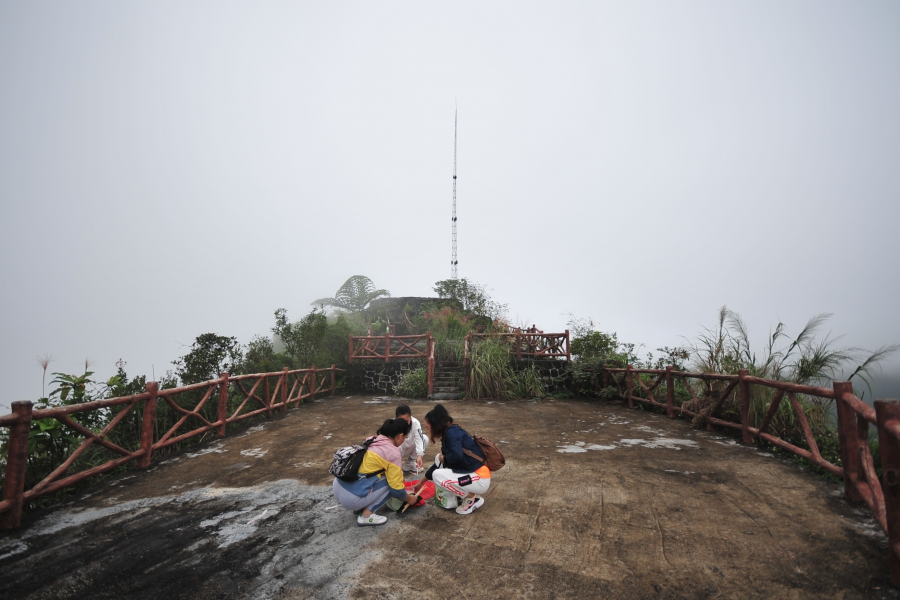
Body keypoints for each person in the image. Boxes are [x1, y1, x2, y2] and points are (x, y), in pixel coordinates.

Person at [331, 418, 420, 526]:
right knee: (391, 484)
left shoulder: (373, 440)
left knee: (384, 476)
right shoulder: (393, 452)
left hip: (337, 486)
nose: (404, 440)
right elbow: (396, 490)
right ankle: (366, 515)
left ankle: (360, 506)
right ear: (400, 436)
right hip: (350, 499)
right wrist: (409, 499)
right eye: (405, 437)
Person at [410, 404, 490, 515]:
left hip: (479, 478)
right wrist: (420, 483)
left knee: (438, 476)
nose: (428, 431)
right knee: (438, 460)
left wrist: (443, 458)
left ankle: (471, 498)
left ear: (435, 425)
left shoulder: (452, 433)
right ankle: (470, 494)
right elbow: (438, 464)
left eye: (428, 428)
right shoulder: (449, 433)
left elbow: (456, 456)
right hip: (473, 476)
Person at [395, 404, 429, 473]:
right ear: (395, 418)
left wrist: (420, 456)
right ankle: (396, 465)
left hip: (409, 448)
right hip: (397, 450)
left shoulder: (415, 423)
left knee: (424, 439)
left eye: (407, 421)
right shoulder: (391, 424)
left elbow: (419, 439)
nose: (405, 424)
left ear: (410, 417)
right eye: (402, 421)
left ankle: (410, 462)